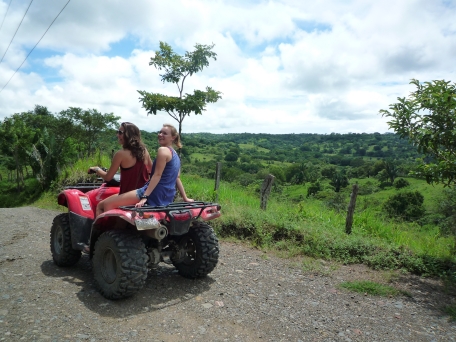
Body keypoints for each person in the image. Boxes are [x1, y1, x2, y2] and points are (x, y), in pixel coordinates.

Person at [95, 123, 193, 217]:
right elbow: (177, 178)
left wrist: (145, 197)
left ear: (173, 137)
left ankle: (108, 232)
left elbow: (156, 175)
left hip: (153, 193)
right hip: (167, 196)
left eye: (164, 133)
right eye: (160, 132)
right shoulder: (174, 154)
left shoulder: (162, 150)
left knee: (106, 204)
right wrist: (185, 198)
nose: (160, 135)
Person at [90, 122, 152, 215]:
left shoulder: (120, 154)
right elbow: (151, 171)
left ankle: (102, 229)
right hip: (143, 194)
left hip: (128, 195)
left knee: (100, 205)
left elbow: (108, 177)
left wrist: (96, 169)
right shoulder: (144, 151)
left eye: (120, 132)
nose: (117, 135)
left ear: (128, 135)